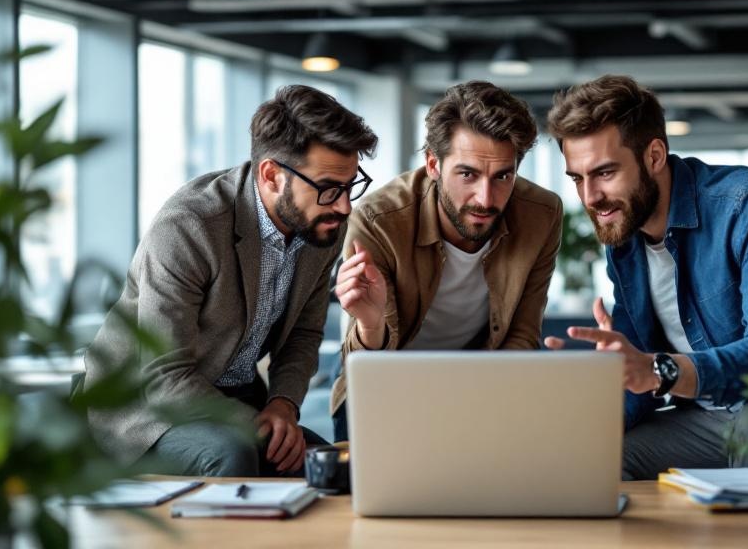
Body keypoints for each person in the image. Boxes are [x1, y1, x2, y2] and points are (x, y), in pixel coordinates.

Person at [544, 75, 748, 479]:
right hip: (704, 425)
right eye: (578, 178)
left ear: (654, 156)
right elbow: (637, 367)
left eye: (605, 173)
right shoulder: (624, 237)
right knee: (596, 461)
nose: (591, 197)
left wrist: (665, 372)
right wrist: (585, 421)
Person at [84, 85, 378, 476]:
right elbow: (164, 377)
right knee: (235, 454)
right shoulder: (191, 226)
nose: (344, 206)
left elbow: (304, 335)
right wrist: (259, 424)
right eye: (328, 188)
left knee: (332, 469)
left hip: (240, 400)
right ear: (272, 175)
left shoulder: (321, 225)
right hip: (146, 408)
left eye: (349, 185)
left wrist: (283, 406)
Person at [329, 81, 563, 441]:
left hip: (484, 380)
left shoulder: (541, 214)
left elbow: (522, 334)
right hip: (388, 381)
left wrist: (476, 403)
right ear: (433, 165)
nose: (485, 198)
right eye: (467, 174)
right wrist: (370, 325)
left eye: (503, 176)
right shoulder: (379, 221)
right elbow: (365, 363)